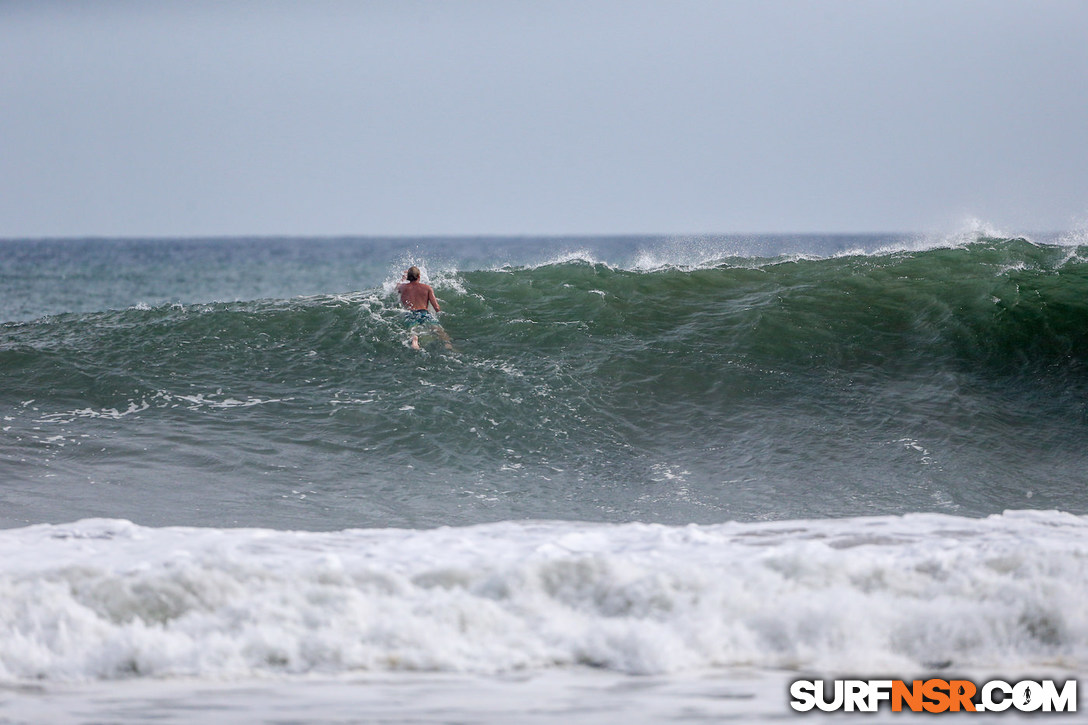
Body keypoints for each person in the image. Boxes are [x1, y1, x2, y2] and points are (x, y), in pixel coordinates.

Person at [396, 266, 451, 350]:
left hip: (410, 313)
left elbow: (396, 287)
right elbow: (436, 308)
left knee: (413, 330)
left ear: (408, 278)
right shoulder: (427, 288)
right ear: (419, 276)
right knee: (439, 331)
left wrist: (402, 279)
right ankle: (447, 344)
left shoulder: (402, 287)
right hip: (424, 313)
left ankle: (415, 340)